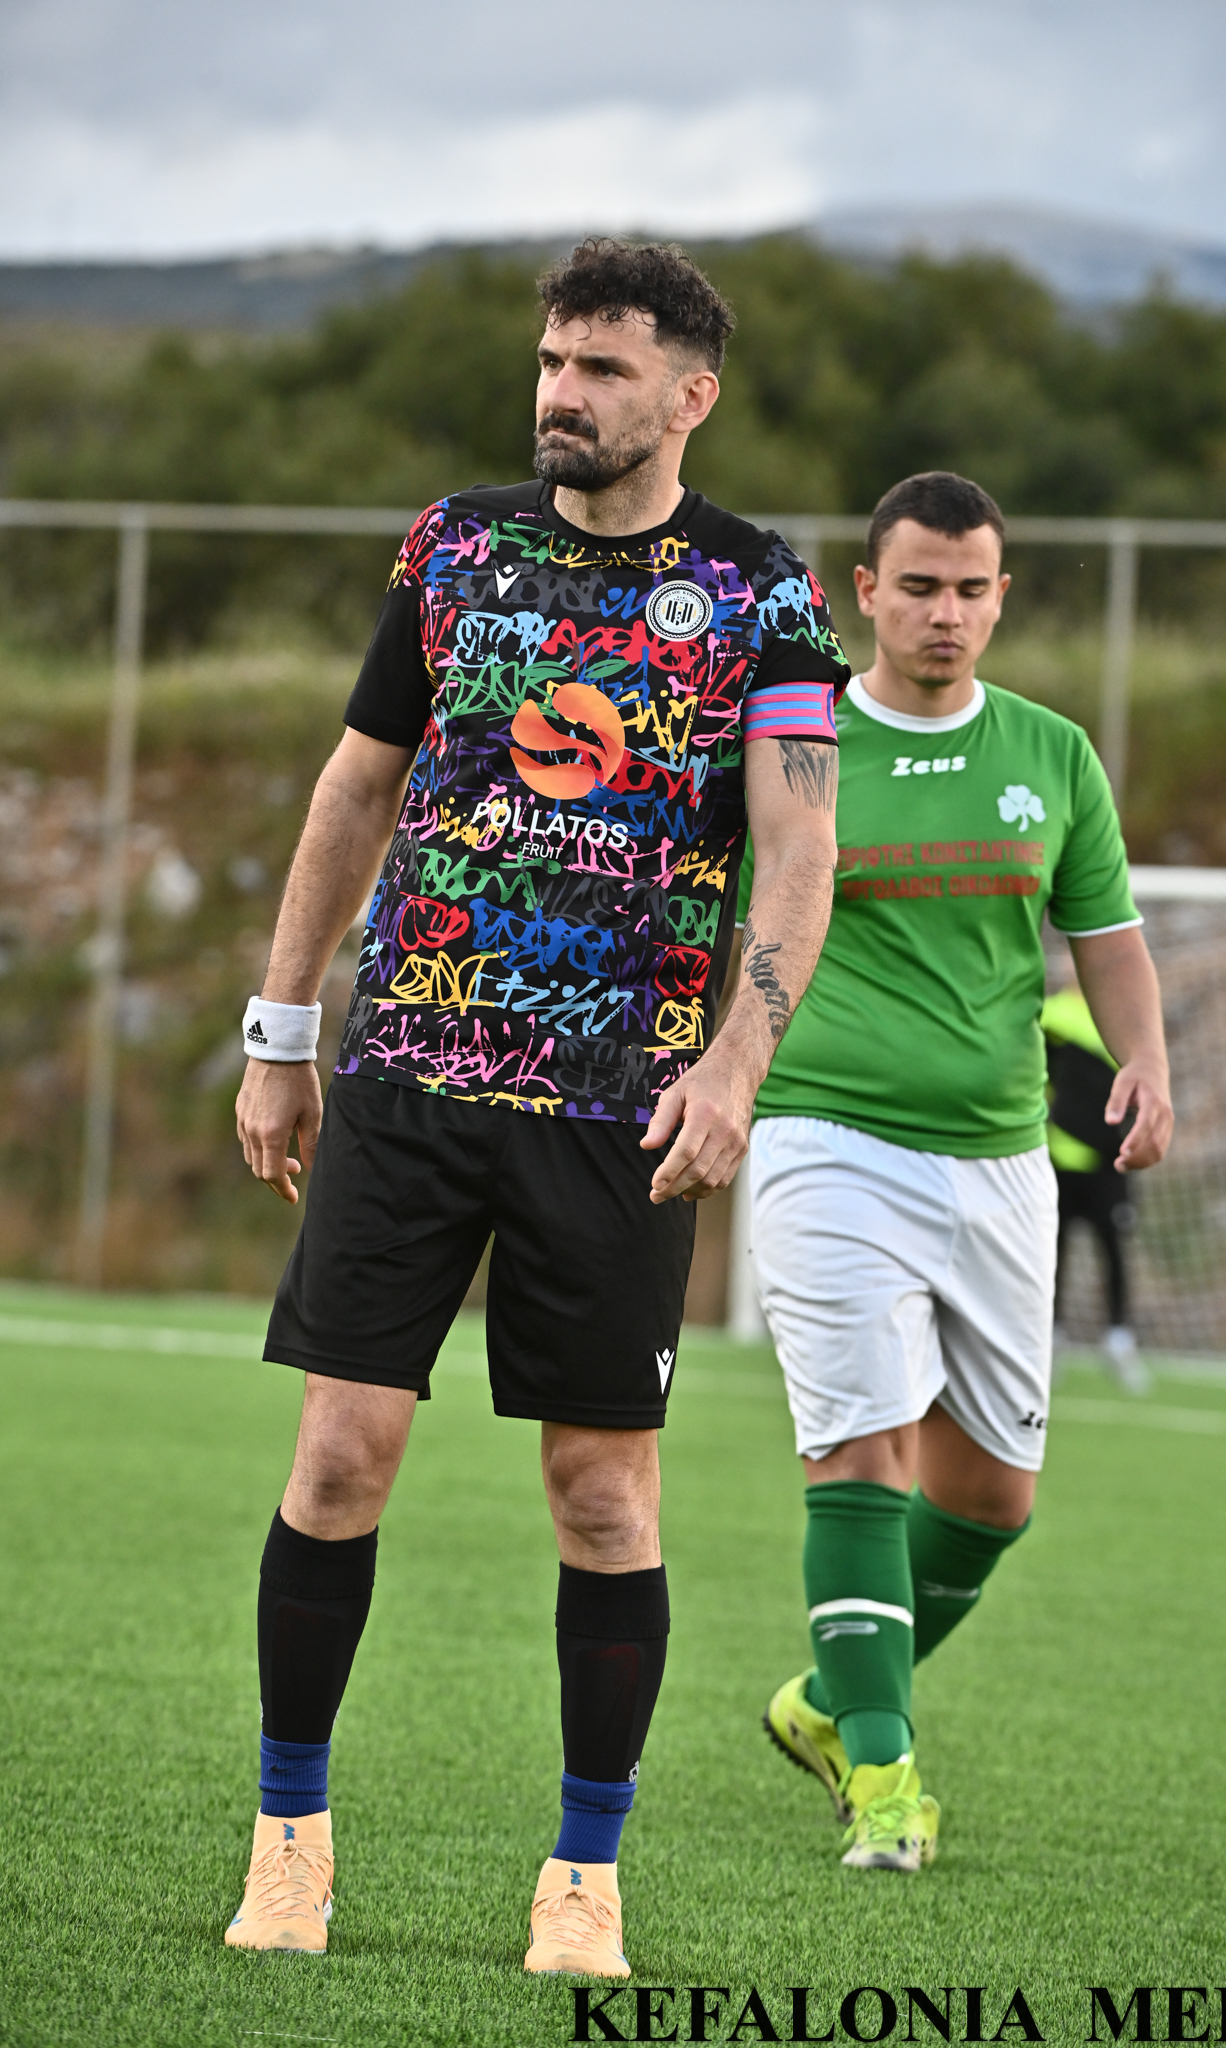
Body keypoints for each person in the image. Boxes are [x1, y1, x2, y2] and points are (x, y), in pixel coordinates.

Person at [225, 238, 848, 1975]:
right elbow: (357, 786)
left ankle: (584, 1876)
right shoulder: (453, 545)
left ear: (690, 396)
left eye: (603, 369)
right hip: (409, 1081)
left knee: (601, 1499)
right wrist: (281, 1028)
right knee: (338, 1456)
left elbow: (802, 850)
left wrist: (735, 1067)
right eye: (553, 361)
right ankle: (289, 1845)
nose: (562, 393)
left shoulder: (763, 595)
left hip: (617, 1112)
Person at [744, 471, 1172, 1872]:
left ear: (1002, 596)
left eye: (971, 588)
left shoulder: (1052, 751)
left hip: (1000, 1160)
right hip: (823, 1137)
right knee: (861, 1449)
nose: (946, 612)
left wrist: (1146, 1061)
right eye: (919, 586)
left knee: (992, 1497)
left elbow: (1106, 934)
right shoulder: (798, 743)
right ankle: (885, 1780)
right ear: (866, 592)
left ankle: (831, 1698)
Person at [1043, 978, 1150, 1393]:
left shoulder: (1122, 1016)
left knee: (1114, 1250)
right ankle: (1049, 1339)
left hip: (1108, 1162)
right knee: (1052, 1253)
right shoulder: (1053, 1016)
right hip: (1058, 1159)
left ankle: (1118, 1339)